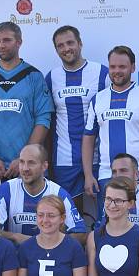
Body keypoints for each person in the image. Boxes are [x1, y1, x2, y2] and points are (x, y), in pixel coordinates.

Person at [82, 45, 139, 221]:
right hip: (106, 176)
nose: (117, 71)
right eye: (113, 67)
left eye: (122, 67)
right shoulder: (98, 99)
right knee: (108, 225)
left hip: (138, 176)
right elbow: (88, 138)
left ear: (132, 68)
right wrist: (88, 174)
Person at [0, 21, 54, 192]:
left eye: (7, 40)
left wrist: (24, 159)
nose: (2, 45)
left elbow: (44, 120)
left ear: (19, 42)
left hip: (28, 168)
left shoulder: (34, 76)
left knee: (31, 218)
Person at [45, 25, 109, 205]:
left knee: (106, 214)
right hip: (64, 159)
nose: (66, 49)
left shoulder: (102, 73)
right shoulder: (52, 77)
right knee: (68, 217)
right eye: (60, 45)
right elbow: (47, 120)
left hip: (99, 158)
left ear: (80, 43)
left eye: (70, 43)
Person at [0, 143, 87, 245]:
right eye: (21, 162)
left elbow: (80, 234)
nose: (25, 168)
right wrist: (15, 237)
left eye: (31, 163)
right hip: (14, 258)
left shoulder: (59, 194)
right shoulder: (6, 190)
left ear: (44, 166)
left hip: (49, 257)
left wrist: (47, 243)